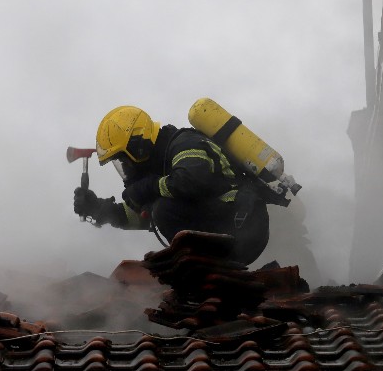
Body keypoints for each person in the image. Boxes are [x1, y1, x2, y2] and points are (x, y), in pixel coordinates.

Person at [73, 105, 270, 265]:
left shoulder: (185, 143)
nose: (125, 165)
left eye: (124, 158)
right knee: (160, 208)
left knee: (164, 209)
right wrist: (99, 209)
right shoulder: (160, 166)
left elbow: (191, 182)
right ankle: (203, 274)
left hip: (244, 224)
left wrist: (148, 187)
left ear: (139, 144)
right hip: (229, 228)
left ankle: (203, 271)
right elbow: (144, 216)